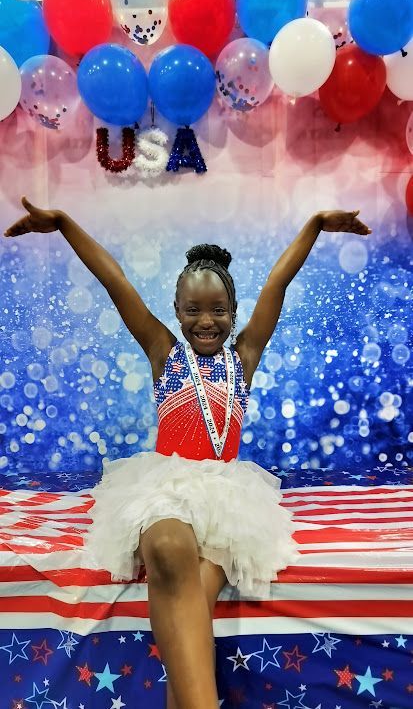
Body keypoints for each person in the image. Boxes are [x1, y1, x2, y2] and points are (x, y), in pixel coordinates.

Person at [4, 198, 372, 709]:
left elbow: (276, 286)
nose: (206, 321)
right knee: (171, 549)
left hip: (230, 497)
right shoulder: (164, 352)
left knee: (194, 601)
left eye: (218, 310)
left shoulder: (244, 357)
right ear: (176, 312)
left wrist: (314, 226)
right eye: (194, 310)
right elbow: (116, 284)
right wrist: (65, 225)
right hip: (166, 485)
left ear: (233, 313)